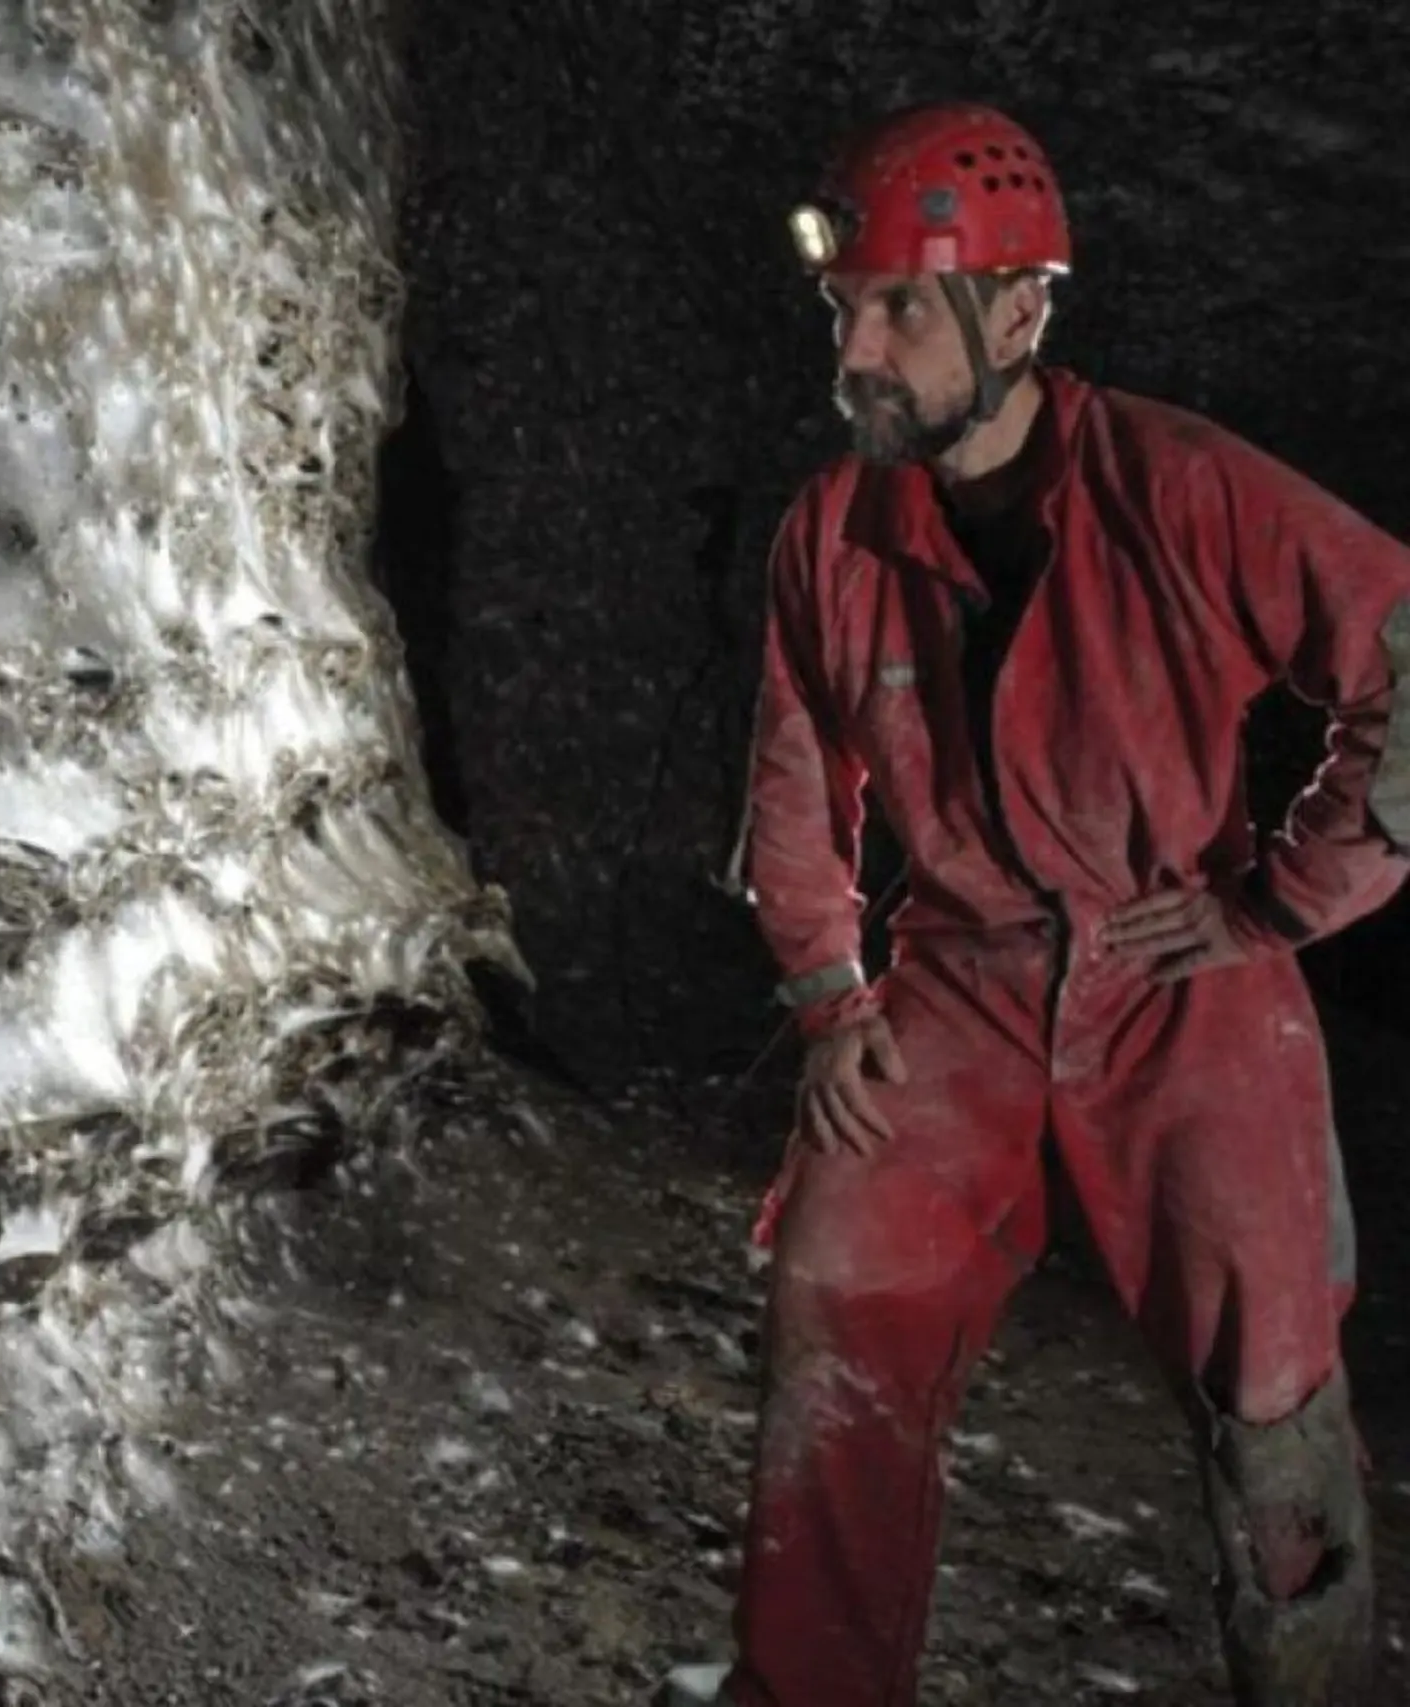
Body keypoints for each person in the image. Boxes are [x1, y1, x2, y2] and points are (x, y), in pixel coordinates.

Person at [666, 102, 1410, 1707]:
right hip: (959, 977)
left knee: (1275, 1389)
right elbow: (799, 782)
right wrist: (825, 993)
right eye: (843, 307)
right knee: (838, 1287)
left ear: (1019, 313)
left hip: (1177, 975)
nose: (855, 346)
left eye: (898, 309)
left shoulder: (1181, 484)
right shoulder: (836, 525)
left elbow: (1403, 656)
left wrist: (1285, 899)